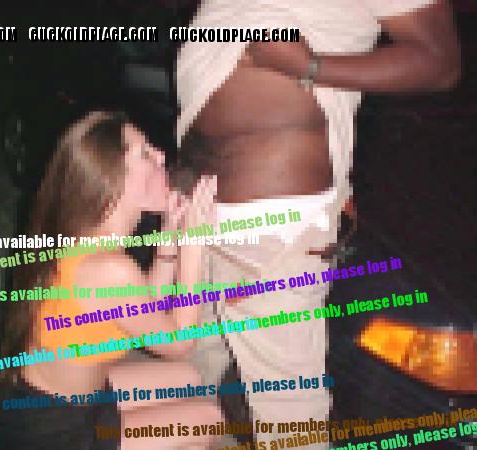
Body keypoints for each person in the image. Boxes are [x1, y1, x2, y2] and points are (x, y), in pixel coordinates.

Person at [177, 0, 460, 447]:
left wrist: (309, 66)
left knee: (288, 416)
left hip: (271, 217)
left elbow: (439, 61)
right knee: (192, 374)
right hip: (200, 209)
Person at [0, 111, 221, 450]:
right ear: (113, 181)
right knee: (207, 419)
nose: (160, 155)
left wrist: (169, 237)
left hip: (66, 400)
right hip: (51, 431)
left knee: (189, 379)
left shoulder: (88, 237)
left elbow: (143, 311)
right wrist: (193, 245)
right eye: (144, 153)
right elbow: (179, 343)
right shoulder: (106, 267)